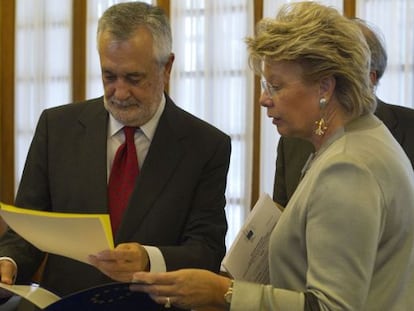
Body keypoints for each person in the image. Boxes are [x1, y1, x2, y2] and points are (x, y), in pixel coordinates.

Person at [129, 2, 414, 310]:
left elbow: (331, 307)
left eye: (275, 86)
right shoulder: (358, 140)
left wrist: (223, 293)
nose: (264, 99)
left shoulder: (349, 167)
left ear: (325, 87)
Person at [0, 1, 231, 308]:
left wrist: (148, 259)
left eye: (134, 79)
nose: (120, 93)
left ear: (167, 67)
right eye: (109, 76)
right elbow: (27, 230)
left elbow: (207, 249)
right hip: (62, 303)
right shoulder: (56, 128)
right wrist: (9, 261)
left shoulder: (206, 145)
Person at [273, 17, 414, 207]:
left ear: (368, 79)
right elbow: (280, 215)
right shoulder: (293, 139)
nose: (324, 81)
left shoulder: (408, 127)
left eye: (337, 72)